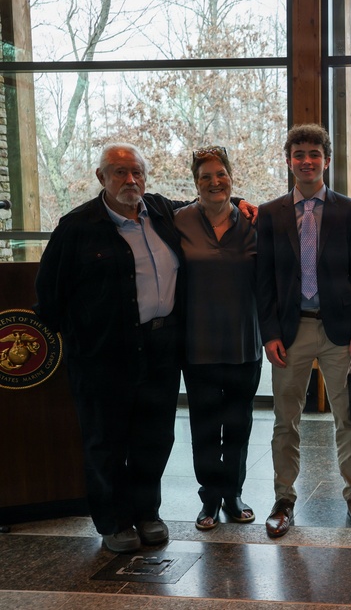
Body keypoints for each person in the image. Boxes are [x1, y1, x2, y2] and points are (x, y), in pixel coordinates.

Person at [34, 143, 185, 553]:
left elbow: (205, 201)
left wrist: (242, 203)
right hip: (103, 355)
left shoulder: (162, 212)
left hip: (161, 347)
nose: (129, 180)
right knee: (106, 440)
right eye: (119, 172)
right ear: (101, 178)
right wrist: (85, 339)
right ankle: (114, 520)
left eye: (136, 171)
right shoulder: (77, 226)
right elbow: (49, 297)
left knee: (155, 437)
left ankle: (146, 512)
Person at [256, 124, 351, 538]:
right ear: (288, 160)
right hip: (291, 333)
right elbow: (264, 279)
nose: (306, 161)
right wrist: (269, 332)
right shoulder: (271, 213)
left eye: (314, 154)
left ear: (326, 159)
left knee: (347, 418)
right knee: (285, 420)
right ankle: (284, 499)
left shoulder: (348, 209)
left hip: (341, 332)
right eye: (298, 154)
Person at [174, 146, 261, 531]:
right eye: (206, 176)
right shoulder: (177, 221)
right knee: (205, 426)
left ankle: (233, 493)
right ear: (195, 183)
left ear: (232, 177)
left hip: (244, 342)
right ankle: (209, 497)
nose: (214, 182)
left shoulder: (253, 221)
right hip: (198, 344)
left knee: (239, 424)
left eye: (220, 174)